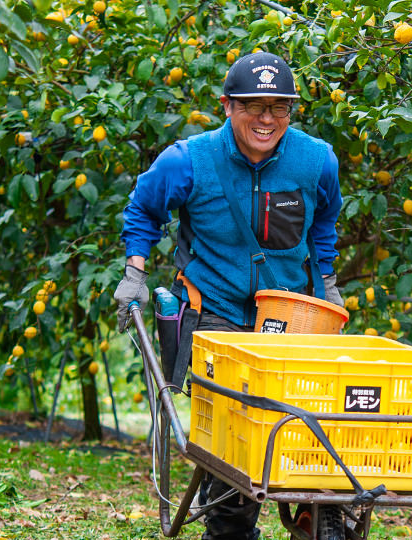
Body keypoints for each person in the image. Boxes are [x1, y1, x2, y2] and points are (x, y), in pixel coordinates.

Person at [113, 51, 343, 540]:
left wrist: (329, 284)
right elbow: (143, 209)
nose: (266, 118)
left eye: (279, 107)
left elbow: (324, 225)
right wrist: (134, 272)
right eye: (253, 106)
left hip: (290, 316)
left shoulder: (316, 160)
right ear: (226, 105)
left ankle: (315, 511)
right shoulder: (186, 160)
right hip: (214, 311)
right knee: (233, 430)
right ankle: (229, 524)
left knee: (309, 418)